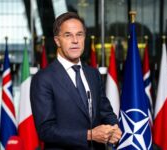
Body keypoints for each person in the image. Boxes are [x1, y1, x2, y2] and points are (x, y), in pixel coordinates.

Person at [30, 12, 122, 150]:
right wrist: (89, 135)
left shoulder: (93, 74)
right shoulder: (43, 79)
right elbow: (46, 130)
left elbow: (106, 112)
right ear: (57, 41)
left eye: (79, 34)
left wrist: (114, 128)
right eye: (68, 35)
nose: (75, 40)